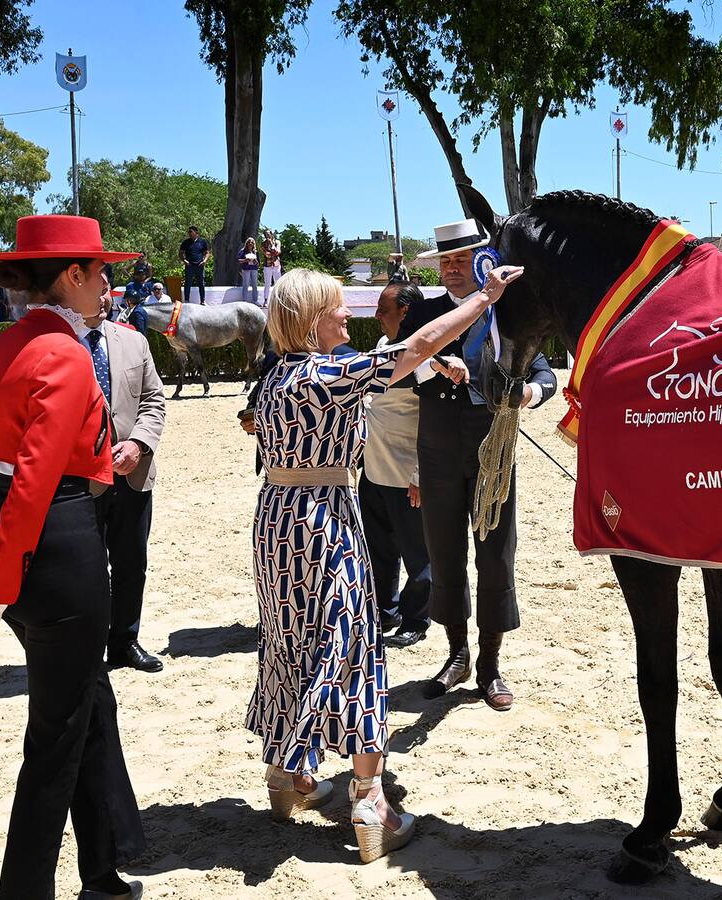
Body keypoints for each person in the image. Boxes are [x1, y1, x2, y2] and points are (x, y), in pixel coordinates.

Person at [247, 263, 521, 862]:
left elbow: (406, 362)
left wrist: (433, 364)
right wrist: (485, 296)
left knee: (289, 638)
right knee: (351, 644)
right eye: (336, 307)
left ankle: (288, 775)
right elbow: (416, 344)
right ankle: (370, 801)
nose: (348, 313)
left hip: (275, 519)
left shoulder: (273, 379)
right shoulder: (328, 374)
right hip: (323, 516)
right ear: (312, 319)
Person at [0, 214, 145, 900]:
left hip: (5, 543)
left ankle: (105, 868)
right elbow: (34, 481)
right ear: (73, 274)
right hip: (54, 550)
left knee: (86, 698)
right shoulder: (64, 353)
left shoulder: (0, 348)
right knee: (55, 737)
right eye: (101, 271)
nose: (109, 284)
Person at [398, 217, 557, 711]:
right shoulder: (424, 313)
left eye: (461, 259)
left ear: (482, 261)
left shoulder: (506, 314)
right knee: (444, 550)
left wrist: (528, 394)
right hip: (438, 446)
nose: (451, 268)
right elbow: (400, 365)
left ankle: (490, 662)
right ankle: (457, 654)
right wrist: (437, 364)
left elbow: (544, 374)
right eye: (444, 260)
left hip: (493, 448)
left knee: (495, 553)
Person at [83, 292, 167, 674]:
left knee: (132, 563)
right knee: (87, 569)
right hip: (81, 480)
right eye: (94, 287)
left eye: (106, 289)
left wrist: (138, 444)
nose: (101, 297)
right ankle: (87, 647)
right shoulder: (58, 345)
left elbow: (154, 400)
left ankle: (124, 643)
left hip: (134, 473)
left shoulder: (135, 341)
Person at [362, 280, 431, 647]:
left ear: (405, 312)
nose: (376, 316)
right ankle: (384, 610)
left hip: (407, 474)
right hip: (373, 469)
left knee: (418, 553)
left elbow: (433, 421)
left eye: (383, 309)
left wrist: (421, 473)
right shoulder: (382, 346)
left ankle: (415, 619)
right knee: (379, 549)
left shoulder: (426, 358)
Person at [179, 225, 210, 303]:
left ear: (196, 232)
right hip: (189, 266)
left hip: (200, 265)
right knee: (188, 283)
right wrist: (184, 260)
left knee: (201, 284)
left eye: (191, 231)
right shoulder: (186, 242)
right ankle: (186, 300)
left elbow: (207, 253)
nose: (189, 233)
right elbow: (180, 253)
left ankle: (202, 301)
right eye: (188, 232)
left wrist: (204, 261)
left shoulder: (202, 242)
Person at [262, 228, 281, 302]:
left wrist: (272, 244)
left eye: (268, 234)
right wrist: (272, 252)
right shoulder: (263, 244)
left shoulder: (277, 242)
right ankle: (266, 300)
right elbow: (267, 255)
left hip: (276, 265)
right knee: (267, 283)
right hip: (267, 265)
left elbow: (278, 252)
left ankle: (278, 299)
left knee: (278, 282)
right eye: (266, 235)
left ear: (272, 234)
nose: (267, 236)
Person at [239, 237, 259, 304]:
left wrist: (256, 262)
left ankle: (255, 300)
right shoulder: (243, 251)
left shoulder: (255, 252)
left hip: (254, 269)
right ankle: (244, 300)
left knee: (254, 285)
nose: (250, 244)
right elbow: (239, 260)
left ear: (254, 244)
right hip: (246, 269)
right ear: (246, 243)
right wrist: (245, 260)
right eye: (249, 242)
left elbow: (258, 263)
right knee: (246, 284)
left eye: (252, 242)